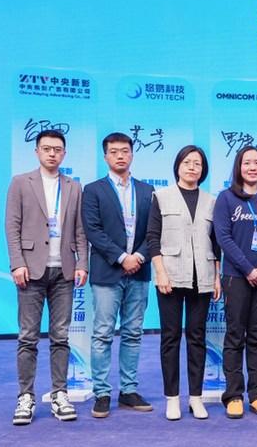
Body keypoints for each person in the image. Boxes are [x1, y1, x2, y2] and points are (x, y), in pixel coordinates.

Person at [5, 129, 88, 425]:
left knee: (60, 337)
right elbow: (12, 227)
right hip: (30, 269)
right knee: (28, 337)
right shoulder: (20, 182)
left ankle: (59, 394)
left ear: (64, 153)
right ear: (37, 151)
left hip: (64, 270)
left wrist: (82, 263)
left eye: (57, 149)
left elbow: (80, 230)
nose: (52, 153)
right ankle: (25, 397)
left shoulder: (74, 186)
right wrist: (17, 263)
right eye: (47, 148)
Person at [144, 145, 221, 421]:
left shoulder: (212, 201)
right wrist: (160, 272)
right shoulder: (161, 197)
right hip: (170, 275)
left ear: (203, 170)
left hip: (202, 276)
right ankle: (172, 398)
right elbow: (152, 237)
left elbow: (216, 242)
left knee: (197, 338)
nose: (192, 167)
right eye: (187, 162)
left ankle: (196, 398)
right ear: (178, 166)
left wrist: (217, 276)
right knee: (171, 337)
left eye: (197, 163)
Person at [82, 132, 155, 418]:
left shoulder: (148, 190)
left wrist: (139, 257)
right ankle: (102, 393)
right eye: (114, 151)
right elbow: (93, 230)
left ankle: (128, 391)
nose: (120, 156)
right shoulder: (93, 190)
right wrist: (123, 257)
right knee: (102, 334)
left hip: (140, 271)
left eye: (125, 151)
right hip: (107, 272)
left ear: (132, 155)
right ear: (105, 157)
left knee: (133, 333)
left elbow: (154, 231)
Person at [213, 146, 257, 419]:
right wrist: (248, 269)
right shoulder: (226, 198)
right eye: (247, 163)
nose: (253, 167)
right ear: (239, 167)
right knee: (235, 336)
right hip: (236, 277)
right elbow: (223, 238)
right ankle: (234, 396)